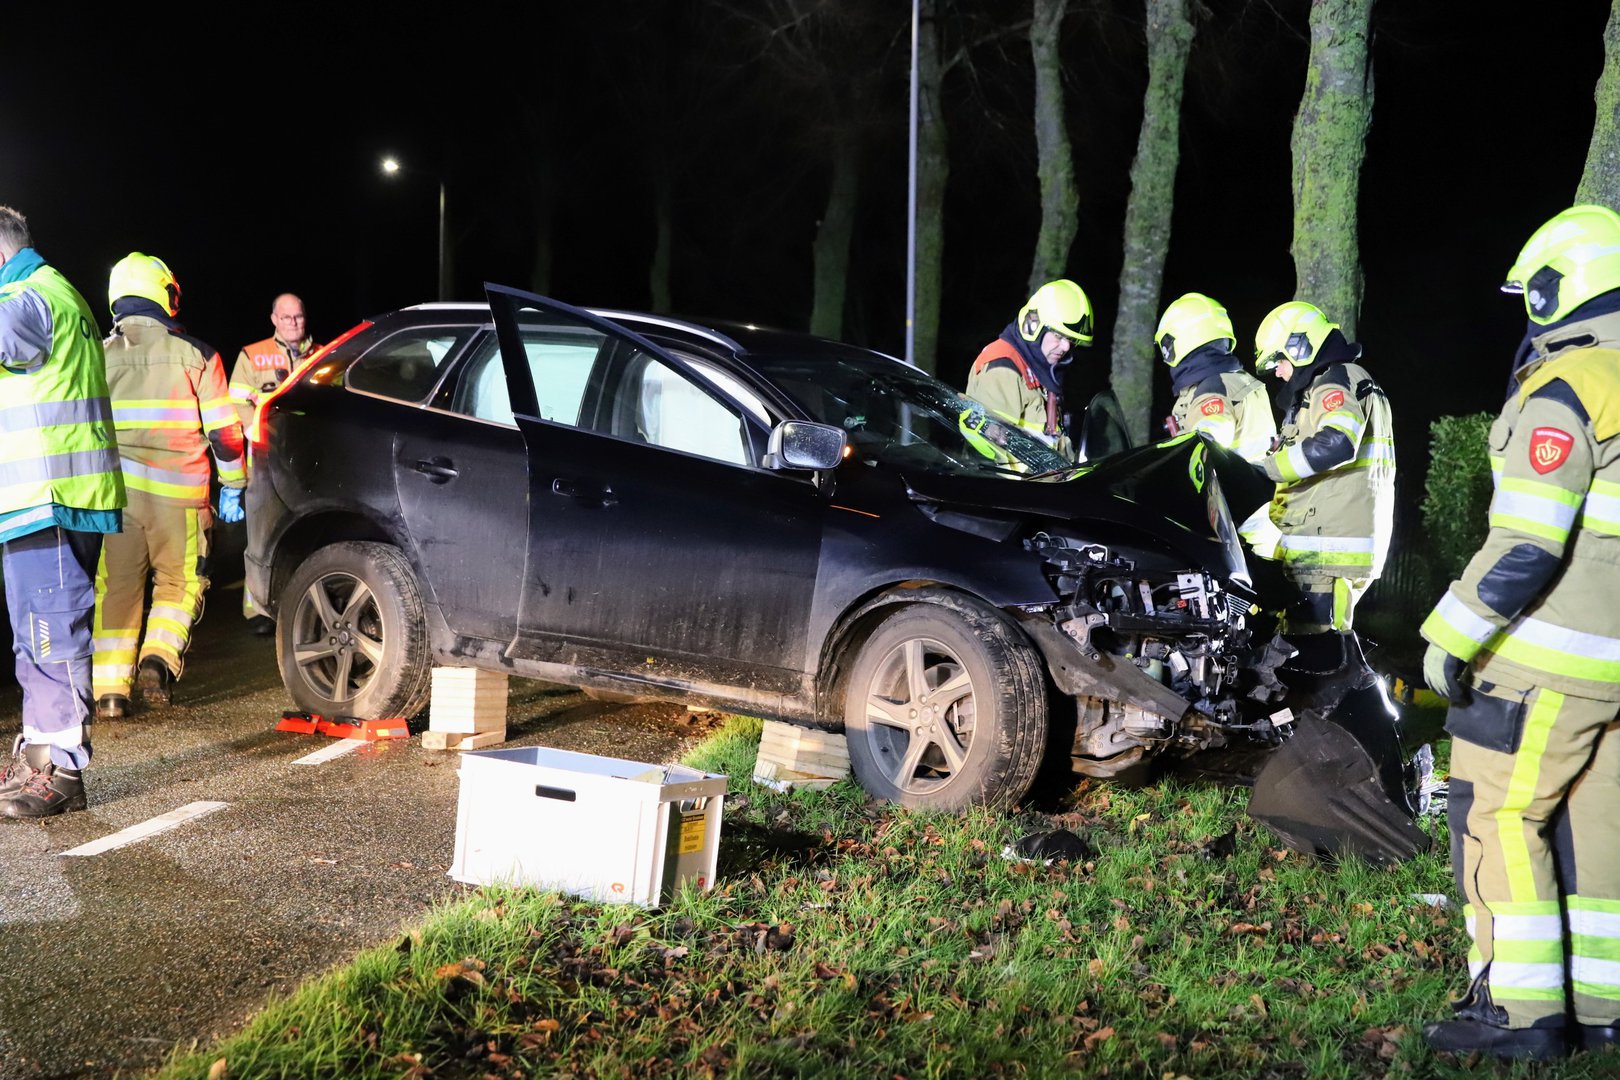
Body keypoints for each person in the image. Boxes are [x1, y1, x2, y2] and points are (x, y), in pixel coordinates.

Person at [1419, 204, 1620, 1061]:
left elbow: (1527, 544)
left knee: (1497, 815)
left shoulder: (1572, 387)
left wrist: (1450, 637)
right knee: (1602, 829)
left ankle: (1521, 1013)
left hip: (1550, 659)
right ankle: (1606, 1013)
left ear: (1554, 289)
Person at [0, 206, 126, 818]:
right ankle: (40, 756)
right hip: (54, 496)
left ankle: (62, 771)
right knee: (39, 636)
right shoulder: (51, 292)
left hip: (47, 497)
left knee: (50, 636)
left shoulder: (26, 298)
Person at [92, 254, 245, 718]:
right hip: (180, 499)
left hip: (115, 502)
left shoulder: (98, 355)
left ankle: (110, 695)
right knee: (179, 585)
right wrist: (234, 485)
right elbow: (224, 433)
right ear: (166, 294)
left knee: (115, 591)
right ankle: (157, 660)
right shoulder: (198, 355)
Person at [1252, 301, 1395, 638]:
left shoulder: (1334, 381)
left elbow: (1337, 443)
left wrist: (1267, 469)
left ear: (1300, 347)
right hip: (1330, 546)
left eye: (1278, 360)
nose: (1277, 371)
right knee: (1312, 648)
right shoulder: (1344, 381)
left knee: (1317, 654)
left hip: (1327, 551)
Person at [229, 293, 316, 634]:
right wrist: (253, 428)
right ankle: (258, 612)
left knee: (304, 533)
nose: (294, 323)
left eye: (299, 317)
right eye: (287, 317)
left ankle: (299, 608)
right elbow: (235, 400)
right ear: (274, 320)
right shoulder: (253, 355)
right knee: (262, 533)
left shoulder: (322, 353)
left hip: (306, 457)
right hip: (265, 458)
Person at [965, 279, 1093, 460]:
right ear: (1033, 325)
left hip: (1047, 483)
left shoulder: (1042, 369)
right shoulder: (1004, 368)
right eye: (1058, 336)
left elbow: (1052, 442)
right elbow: (997, 456)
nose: (1065, 346)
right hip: (1016, 487)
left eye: (1071, 340)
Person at [1155, 291, 1276, 461]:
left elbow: (1209, 440)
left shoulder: (1213, 389)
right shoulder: (1238, 379)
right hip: (1259, 483)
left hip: (1232, 487)